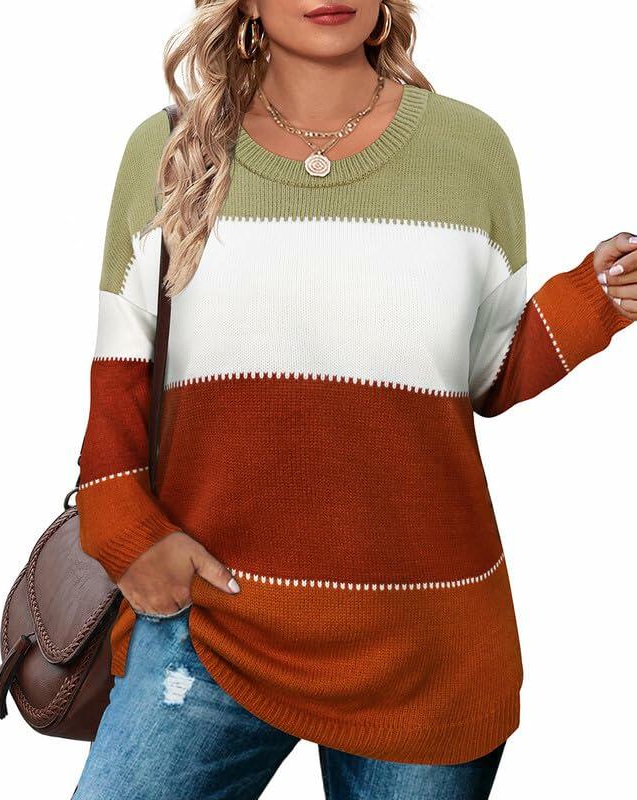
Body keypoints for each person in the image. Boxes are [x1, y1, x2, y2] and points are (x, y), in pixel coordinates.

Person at [71, 2, 636, 798]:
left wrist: (594, 300)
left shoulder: (469, 148)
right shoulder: (171, 147)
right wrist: (126, 535)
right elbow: (119, 372)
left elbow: (486, 374)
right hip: (211, 624)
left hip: (425, 643)